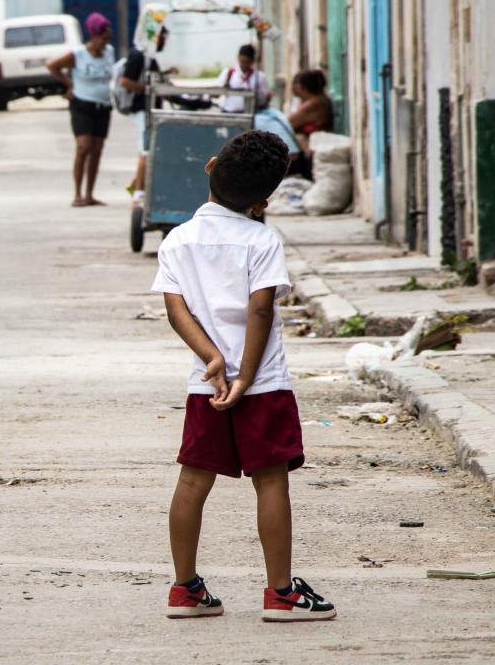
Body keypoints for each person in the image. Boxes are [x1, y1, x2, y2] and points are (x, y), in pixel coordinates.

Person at [151, 130, 337, 623]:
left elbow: (176, 310)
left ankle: (185, 589)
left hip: (204, 386)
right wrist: (245, 376)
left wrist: (212, 359)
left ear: (210, 166)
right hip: (263, 384)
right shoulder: (263, 239)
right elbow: (260, 313)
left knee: (193, 481)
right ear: (265, 200)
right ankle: (281, 594)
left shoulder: (178, 239)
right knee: (270, 480)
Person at [46, 12, 114, 207]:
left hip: (103, 106)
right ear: (93, 36)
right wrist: (69, 84)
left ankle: (89, 194)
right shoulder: (78, 55)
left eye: (107, 39)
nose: (104, 43)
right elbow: (52, 65)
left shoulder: (109, 51)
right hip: (82, 104)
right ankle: (77, 193)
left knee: (97, 149)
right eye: (102, 39)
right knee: (83, 146)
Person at [119, 25, 176, 203]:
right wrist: (148, 90)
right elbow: (125, 82)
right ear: (155, 38)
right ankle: (138, 193)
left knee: (146, 149)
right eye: (163, 39)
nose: (164, 43)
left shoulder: (150, 57)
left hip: (150, 110)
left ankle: (138, 184)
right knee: (146, 150)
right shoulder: (138, 55)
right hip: (141, 110)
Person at [285, 70, 333, 178]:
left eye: (296, 84)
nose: (293, 87)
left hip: (310, 153)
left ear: (303, 86)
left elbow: (288, 123)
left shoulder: (314, 103)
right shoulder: (310, 101)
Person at [218, 44, 271, 113]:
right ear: (238, 58)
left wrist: (266, 98)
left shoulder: (259, 76)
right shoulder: (228, 73)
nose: (244, 65)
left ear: (252, 60)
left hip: (250, 115)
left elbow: (264, 98)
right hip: (229, 113)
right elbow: (217, 92)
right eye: (242, 61)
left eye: (247, 62)